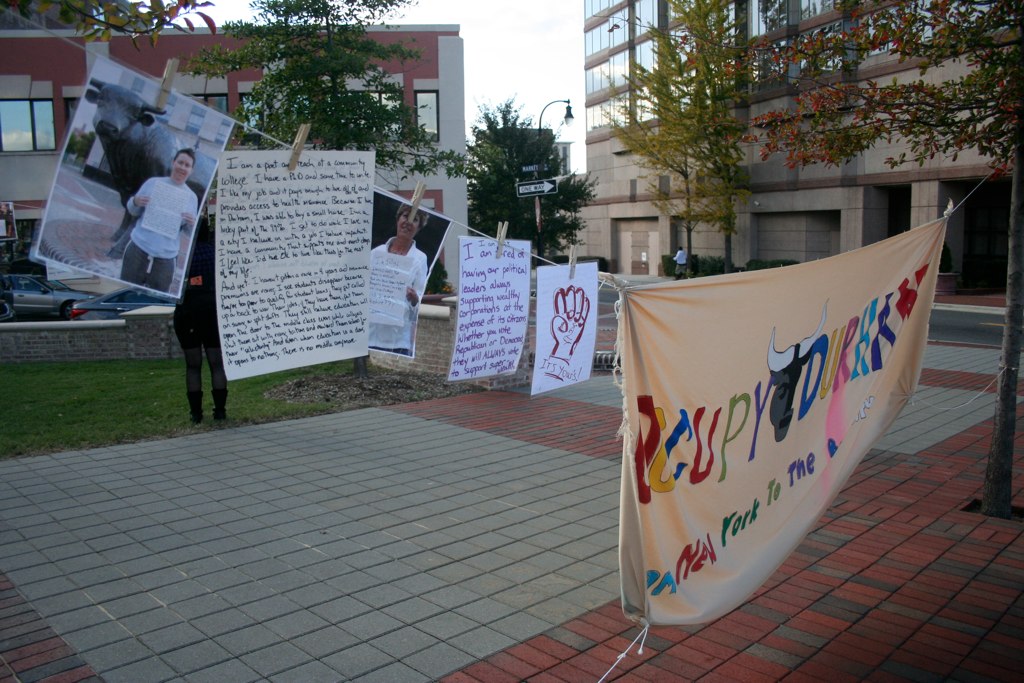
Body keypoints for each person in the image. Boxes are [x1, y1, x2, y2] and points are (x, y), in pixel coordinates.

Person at [120, 148, 198, 292]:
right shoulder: (152, 183)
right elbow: (133, 210)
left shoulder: (192, 198)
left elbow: (188, 231)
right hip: (138, 248)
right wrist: (135, 201)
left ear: (191, 171)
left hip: (166, 257)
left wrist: (192, 223)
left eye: (187, 165)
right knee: (125, 291)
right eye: (180, 162)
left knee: (156, 300)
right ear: (173, 162)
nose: (182, 167)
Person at [173, 216, 227, 424]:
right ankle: (220, 410)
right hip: (212, 311)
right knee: (216, 363)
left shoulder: (181, 256)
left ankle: (196, 413)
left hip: (187, 312)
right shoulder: (217, 255)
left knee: (193, 365)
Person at [368, 204, 429, 355]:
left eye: (414, 220)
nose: (408, 222)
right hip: (371, 333)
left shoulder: (420, 259)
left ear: (419, 228)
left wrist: (415, 298)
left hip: (398, 338)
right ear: (397, 219)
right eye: (405, 216)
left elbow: (418, 300)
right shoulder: (376, 253)